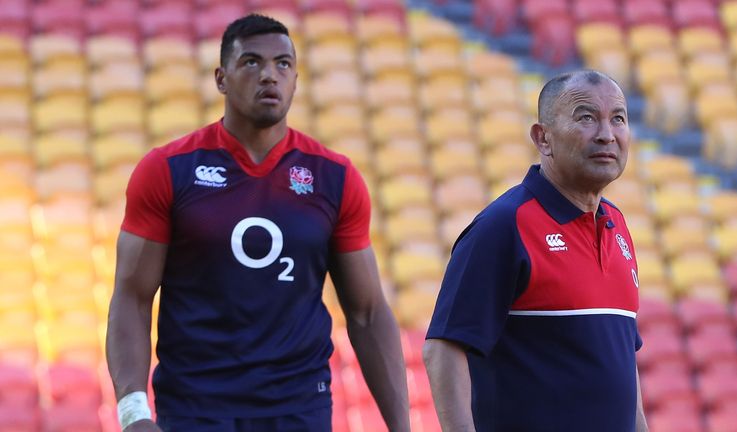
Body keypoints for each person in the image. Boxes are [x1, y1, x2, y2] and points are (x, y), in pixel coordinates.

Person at [105, 14, 411, 432]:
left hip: (298, 409)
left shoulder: (335, 178)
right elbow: (132, 297)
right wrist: (133, 412)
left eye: (283, 64)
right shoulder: (167, 170)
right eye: (251, 62)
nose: (270, 75)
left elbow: (368, 312)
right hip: (195, 409)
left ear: (297, 80)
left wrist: (402, 427)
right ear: (221, 78)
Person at [422, 70, 648, 432]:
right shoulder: (505, 225)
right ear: (543, 138)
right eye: (586, 117)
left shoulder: (617, 226)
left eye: (618, 118)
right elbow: (443, 351)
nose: (607, 134)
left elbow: (622, 365)